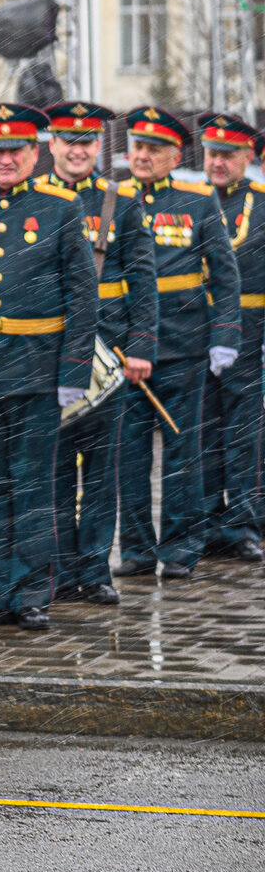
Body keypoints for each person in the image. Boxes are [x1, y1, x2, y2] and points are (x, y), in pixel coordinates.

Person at [0, 104, 96, 633]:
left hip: (36, 372)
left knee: (34, 487)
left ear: (34, 153)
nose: (5, 159)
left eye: (16, 151)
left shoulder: (61, 207)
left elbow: (82, 296)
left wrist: (73, 368)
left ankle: (32, 593)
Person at [113, 107, 241, 580]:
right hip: (126, 350)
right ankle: (137, 549)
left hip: (184, 345)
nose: (142, 156)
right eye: (137, 147)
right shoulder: (113, 200)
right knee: (127, 456)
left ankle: (182, 547)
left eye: (154, 149)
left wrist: (225, 335)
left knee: (185, 453)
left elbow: (226, 277)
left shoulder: (198, 201)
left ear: (175, 156)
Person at [40, 103, 157, 607]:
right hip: (47, 354)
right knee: (54, 472)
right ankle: (63, 571)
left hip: (106, 358)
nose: (77, 149)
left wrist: (140, 347)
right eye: (68, 139)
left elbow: (144, 281)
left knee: (103, 470)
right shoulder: (36, 201)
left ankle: (95, 570)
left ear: (99, 147)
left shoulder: (122, 205)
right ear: (52, 145)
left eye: (87, 140)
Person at [195, 112, 265, 563]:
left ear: (248, 157)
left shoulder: (260, 202)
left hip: (251, 329)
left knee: (244, 430)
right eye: (212, 154)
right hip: (194, 330)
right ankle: (201, 521)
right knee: (199, 430)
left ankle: (241, 522)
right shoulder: (187, 200)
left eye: (228, 155)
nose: (218, 163)